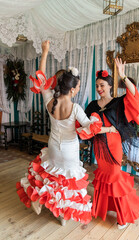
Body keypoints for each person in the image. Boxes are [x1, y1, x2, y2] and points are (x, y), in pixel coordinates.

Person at [16, 41, 107, 226]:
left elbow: (40, 77)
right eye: (79, 87)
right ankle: (63, 216)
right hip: (69, 151)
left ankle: (41, 199)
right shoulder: (75, 108)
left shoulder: (50, 101)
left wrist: (45, 51)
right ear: (72, 89)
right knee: (67, 183)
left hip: (53, 147)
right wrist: (105, 127)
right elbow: (91, 127)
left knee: (52, 177)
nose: (79, 89)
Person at [85, 58, 139, 229]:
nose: (99, 89)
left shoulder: (118, 102)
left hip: (113, 145)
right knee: (103, 177)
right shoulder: (92, 105)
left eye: (102, 85)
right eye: (97, 86)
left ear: (110, 86)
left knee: (115, 177)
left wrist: (123, 74)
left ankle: (123, 216)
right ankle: (100, 208)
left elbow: (134, 94)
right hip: (99, 146)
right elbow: (87, 124)